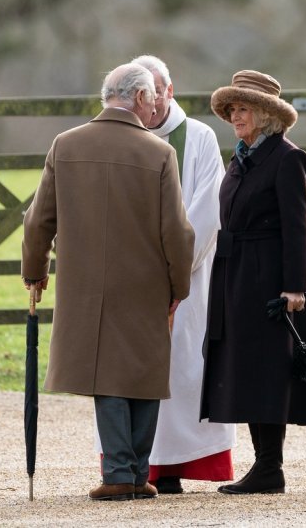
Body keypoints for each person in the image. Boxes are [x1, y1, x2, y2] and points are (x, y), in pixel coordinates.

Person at [21, 63, 195, 501]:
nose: (157, 103)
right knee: (144, 369)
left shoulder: (66, 145)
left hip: (84, 283)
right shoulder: (159, 153)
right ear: (138, 98)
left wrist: (35, 272)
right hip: (146, 281)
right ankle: (131, 474)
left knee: (107, 372)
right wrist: (179, 286)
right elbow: (176, 231)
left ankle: (123, 473)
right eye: (152, 97)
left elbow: (38, 220)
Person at [200, 70, 306, 495]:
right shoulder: (241, 156)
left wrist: (294, 287)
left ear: (267, 114)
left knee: (267, 369)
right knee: (245, 368)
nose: (235, 115)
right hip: (234, 274)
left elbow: (297, 227)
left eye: (244, 107)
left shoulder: (288, 158)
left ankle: (271, 468)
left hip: (269, 278)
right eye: (232, 108)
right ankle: (264, 466)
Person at [130, 54, 236, 494]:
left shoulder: (199, 137)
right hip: (131, 279)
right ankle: (131, 463)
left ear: (169, 91)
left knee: (184, 368)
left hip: (187, 277)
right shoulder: (119, 134)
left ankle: (175, 464)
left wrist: (173, 270)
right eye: (140, 96)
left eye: (154, 94)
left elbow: (207, 210)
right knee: (129, 366)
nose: (148, 104)